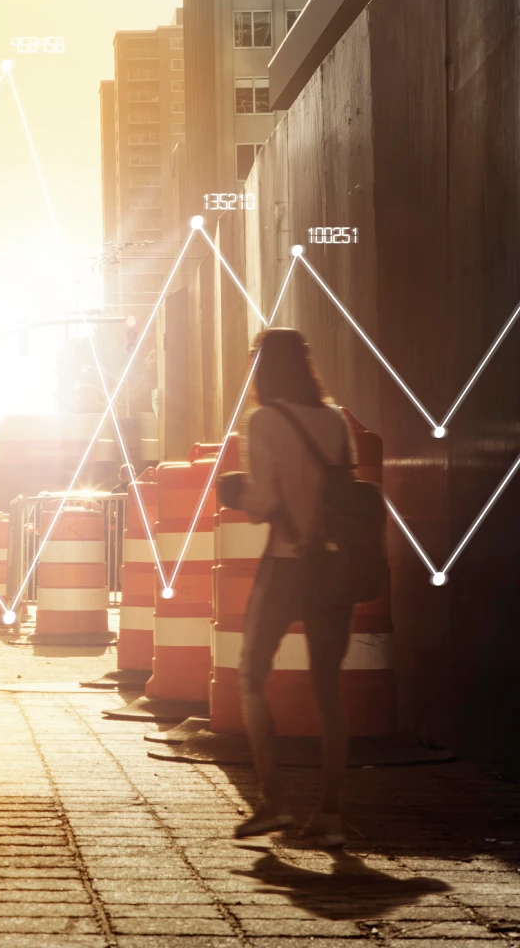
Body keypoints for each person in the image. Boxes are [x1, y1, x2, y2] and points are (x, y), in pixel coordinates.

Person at [217, 328, 356, 848]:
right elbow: (345, 494)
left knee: (252, 674)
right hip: (332, 569)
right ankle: (332, 815)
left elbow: (260, 505)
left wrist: (234, 491)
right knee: (328, 689)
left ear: (264, 369)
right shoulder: (336, 420)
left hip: (284, 567)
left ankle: (273, 799)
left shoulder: (264, 421)